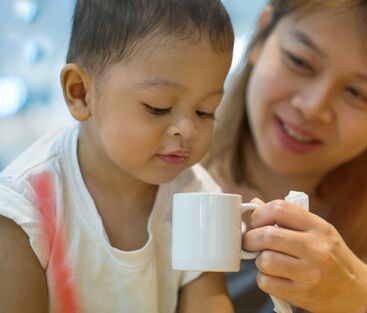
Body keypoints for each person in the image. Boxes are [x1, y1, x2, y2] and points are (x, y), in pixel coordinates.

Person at [206, 0, 367, 312]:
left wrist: (365, 293)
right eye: (300, 61)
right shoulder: (162, 161)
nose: (313, 107)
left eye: (358, 94)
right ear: (262, 33)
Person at [0, 0, 234, 312]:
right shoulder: (25, 205)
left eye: (206, 111)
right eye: (159, 107)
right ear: (80, 93)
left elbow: (209, 303)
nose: (187, 129)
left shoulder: (195, 193)